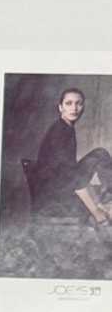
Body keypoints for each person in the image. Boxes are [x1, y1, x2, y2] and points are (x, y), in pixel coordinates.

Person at [30, 85, 112, 226]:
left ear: (83, 107)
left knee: (100, 154)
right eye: (69, 103)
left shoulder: (66, 127)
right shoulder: (59, 130)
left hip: (62, 182)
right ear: (60, 108)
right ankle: (105, 205)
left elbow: (72, 170)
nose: (74, 108)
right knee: (99, 155)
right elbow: (70, 174)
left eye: (78, 104)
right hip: (53, 191)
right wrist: (96, 209)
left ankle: (108, 201)